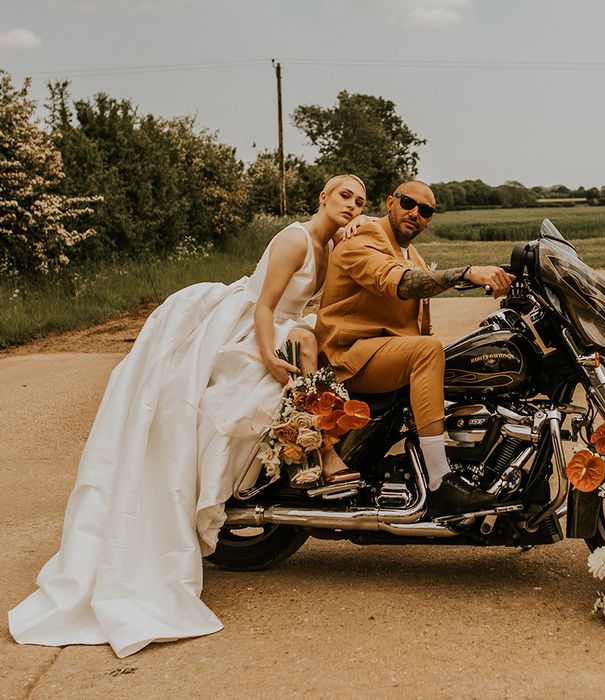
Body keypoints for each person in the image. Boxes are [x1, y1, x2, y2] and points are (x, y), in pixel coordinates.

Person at [9, 173, 368, 658]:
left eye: (360, 200)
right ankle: (315, 458)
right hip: (252, 325)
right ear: (323, 197)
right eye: (345, 195)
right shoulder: (295, 239)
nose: (352, 205)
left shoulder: (330, 247)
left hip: (288, 324)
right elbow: (264, 306)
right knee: (248, 398)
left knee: (319, 354)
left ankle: (317, 451)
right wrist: (267, 357)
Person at [316, 180, 514, 514]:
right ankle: (440, 480)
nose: (415, 213)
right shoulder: (365, 238)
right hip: (348, 356)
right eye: (408, 203)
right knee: (427, 351)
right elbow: (401, 283)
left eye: (425, 210)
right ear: (390, 202)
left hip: (380, 351)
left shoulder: (412, 254)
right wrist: (467, 272)